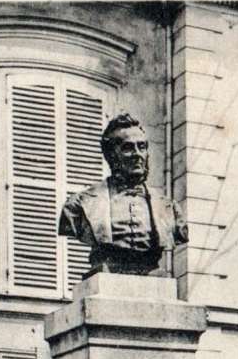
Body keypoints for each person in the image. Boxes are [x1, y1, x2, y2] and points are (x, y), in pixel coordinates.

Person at [58, 113, 188, 276]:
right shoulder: (79, 205)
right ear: (111, 155)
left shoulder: (169, 208)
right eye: (128, 148)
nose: (137, 154)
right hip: (106, 274)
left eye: (142, 147)